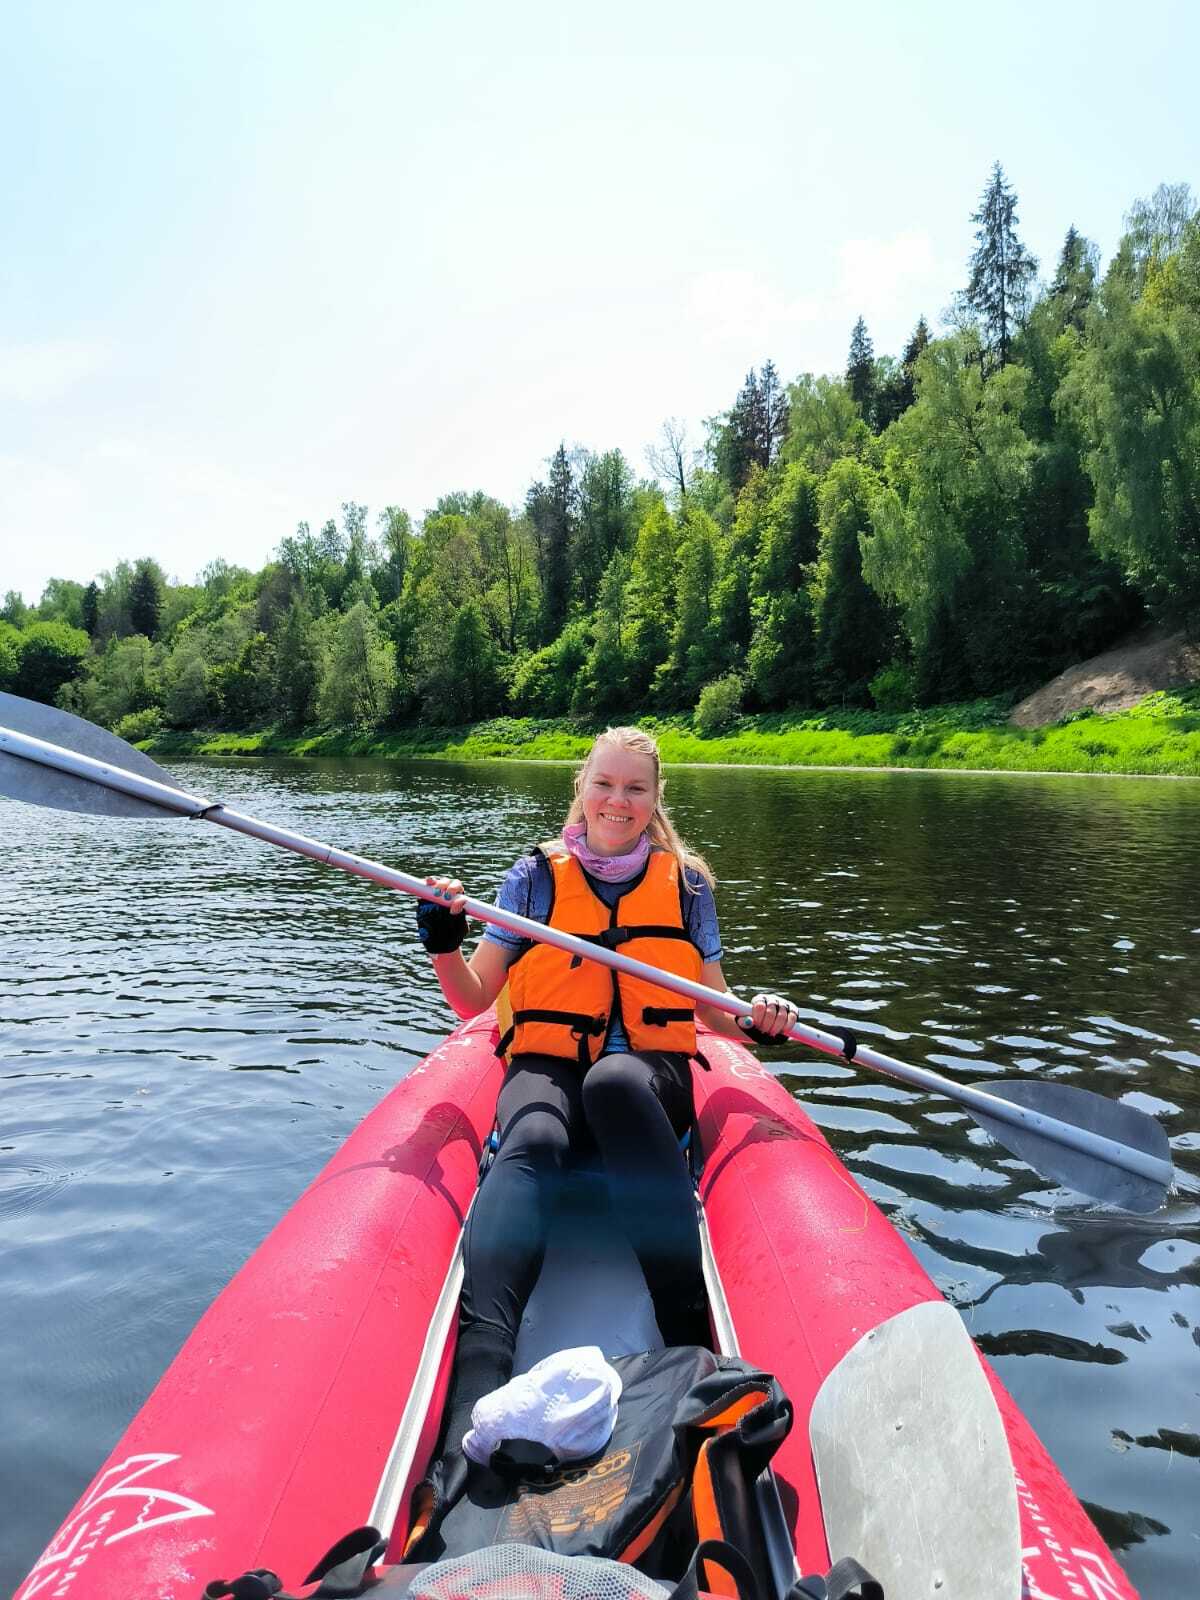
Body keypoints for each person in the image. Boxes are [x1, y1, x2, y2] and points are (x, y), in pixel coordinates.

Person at [416, 725, 799, 1458]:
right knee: (532, 1137)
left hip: (645, 1080)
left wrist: (762, 1022)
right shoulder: (533, 879)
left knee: (615, 1081)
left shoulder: (686, 885)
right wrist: (443, 942)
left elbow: (715, 1011)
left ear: (655, 800)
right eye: (605, 784)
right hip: (550, 1066)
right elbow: (475, 1001)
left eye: (635, 788)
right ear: (581, 788)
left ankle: (692, 1345)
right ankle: (476, 1398)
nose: (617, 801)